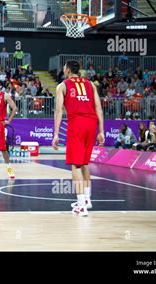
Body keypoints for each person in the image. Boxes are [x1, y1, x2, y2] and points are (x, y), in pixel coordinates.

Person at [52, 60, 105, 217]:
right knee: (84, 163)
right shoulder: (90, 84)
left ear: (68, 70)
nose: (63, 69)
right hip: (92, 123)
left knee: (75, 165)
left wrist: (56, 134)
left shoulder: (62, 86)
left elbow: (59, 111)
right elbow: (98, 108)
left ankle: (81, 206)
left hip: (77, 124)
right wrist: (101, 131)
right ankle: (87, 199)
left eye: (64, 67)